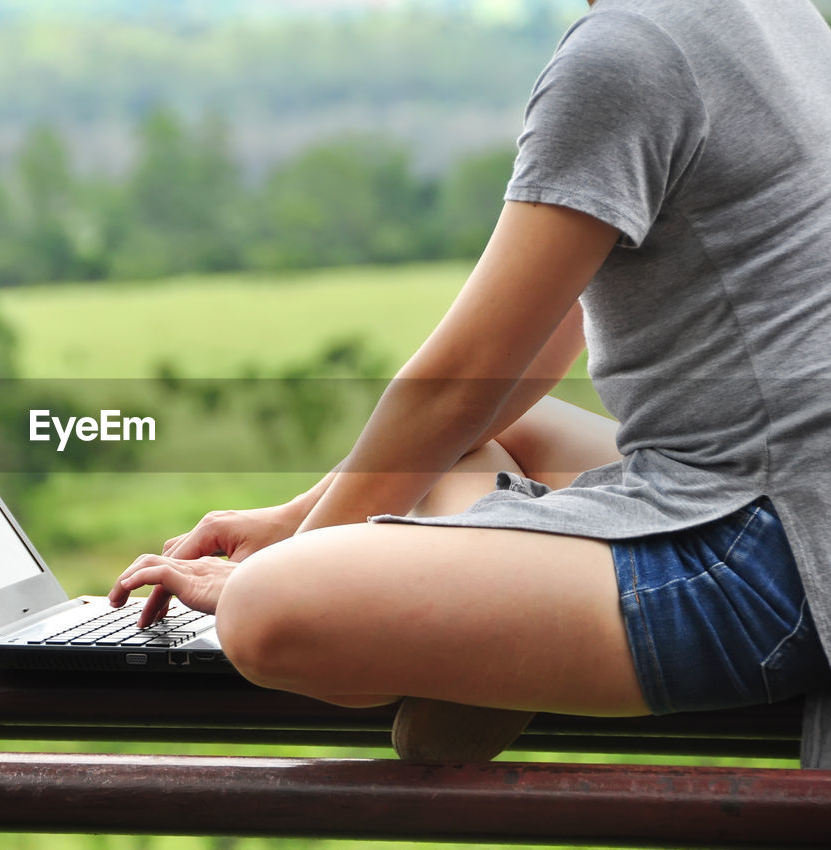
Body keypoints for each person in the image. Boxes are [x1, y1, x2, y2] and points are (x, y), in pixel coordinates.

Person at [109, 0, 831, 764]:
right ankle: (493, 633)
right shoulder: (775, 12)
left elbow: (458, 381)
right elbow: (522, 358)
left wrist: (289, 563)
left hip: (767, 558)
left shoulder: (626, 52)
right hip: (769, 496)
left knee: (267, 613)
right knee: (478, 438)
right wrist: (298, 514)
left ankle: (483, 648)